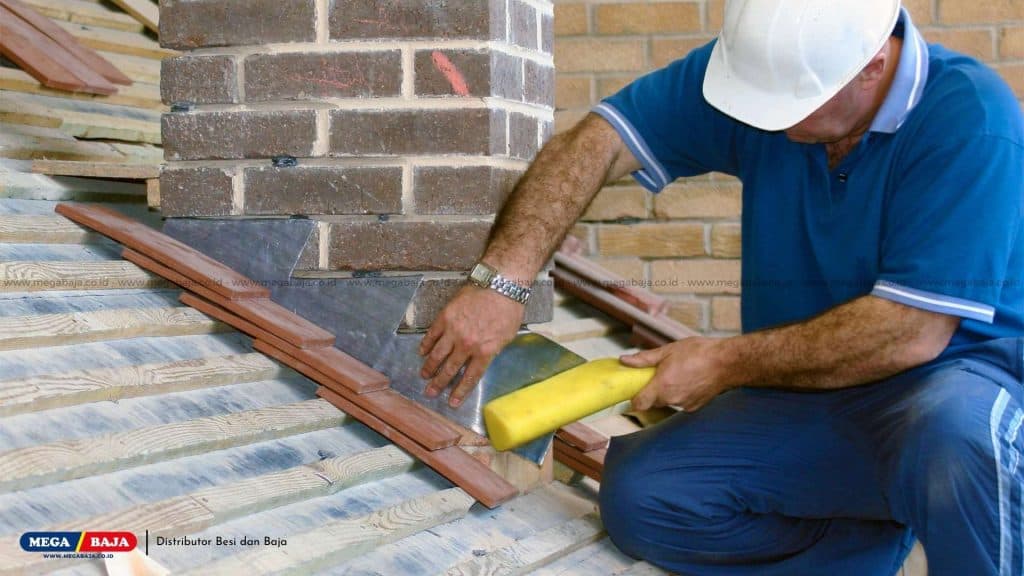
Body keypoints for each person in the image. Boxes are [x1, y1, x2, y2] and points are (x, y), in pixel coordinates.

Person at [418, 0, 1024, 573]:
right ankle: (856, 542)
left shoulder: (970, 118)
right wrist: (503, 281)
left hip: (951, 384)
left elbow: (909, 333)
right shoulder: (762, 76)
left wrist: (723, 363)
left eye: (793, 109)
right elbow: (596, 142)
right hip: (810, 390)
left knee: (958, 444)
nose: (773, 128)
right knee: (645, 496)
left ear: (871, 67)